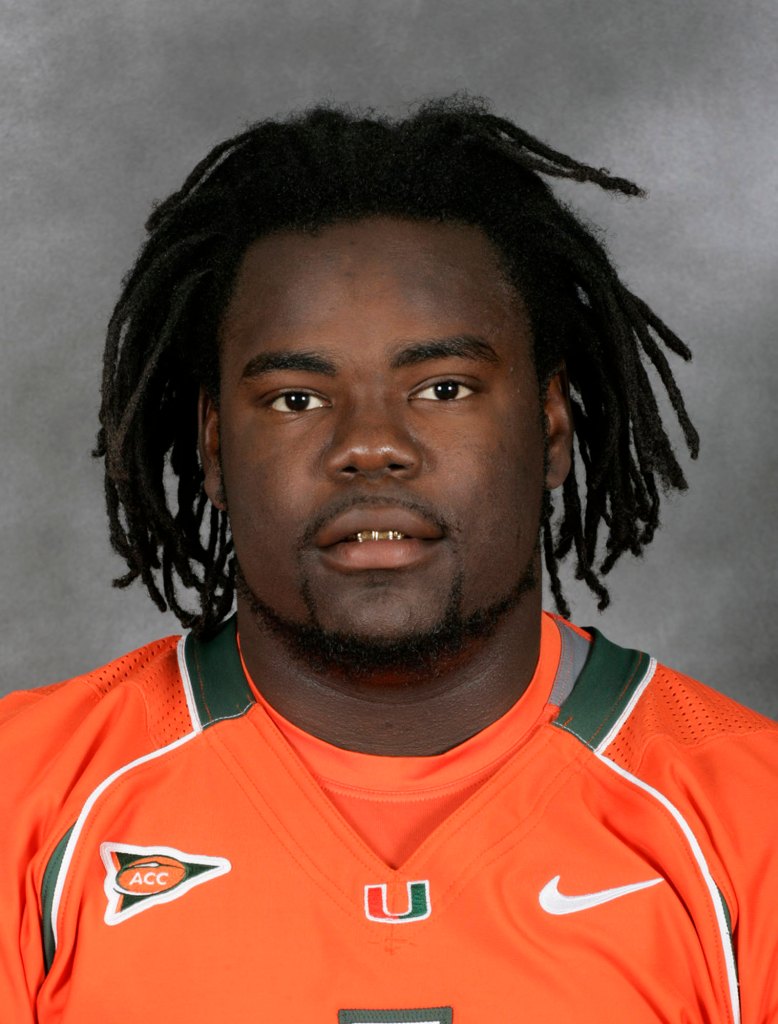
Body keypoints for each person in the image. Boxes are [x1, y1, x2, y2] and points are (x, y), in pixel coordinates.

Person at [1, 97, 775, 1024]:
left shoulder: (749, 821)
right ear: (213, 448)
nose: (370, 446)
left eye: (442, 388)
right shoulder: (27, 798)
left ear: (552, 426)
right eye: (295, 399)